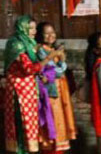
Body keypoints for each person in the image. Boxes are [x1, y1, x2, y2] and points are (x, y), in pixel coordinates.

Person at [4, 16, 44, 154]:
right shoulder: (17, 44)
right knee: (20, 124)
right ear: (23, 28)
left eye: (35, 28)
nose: (34, 31)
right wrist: (48, 59)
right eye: (31, 28)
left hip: (28, 91)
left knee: (29, 123)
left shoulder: (29, 44)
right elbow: (29, 69)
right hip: (19, 92)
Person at [36, 23, 75, 154]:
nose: (50, 35)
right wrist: (61, 60)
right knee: (53, 118)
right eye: (46, 33)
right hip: (50, 91)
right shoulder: (41, 51)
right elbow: (55, 71)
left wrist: (61, 59)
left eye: (52, 32)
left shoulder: (54, 50)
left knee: (62, 119)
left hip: (61, 89)